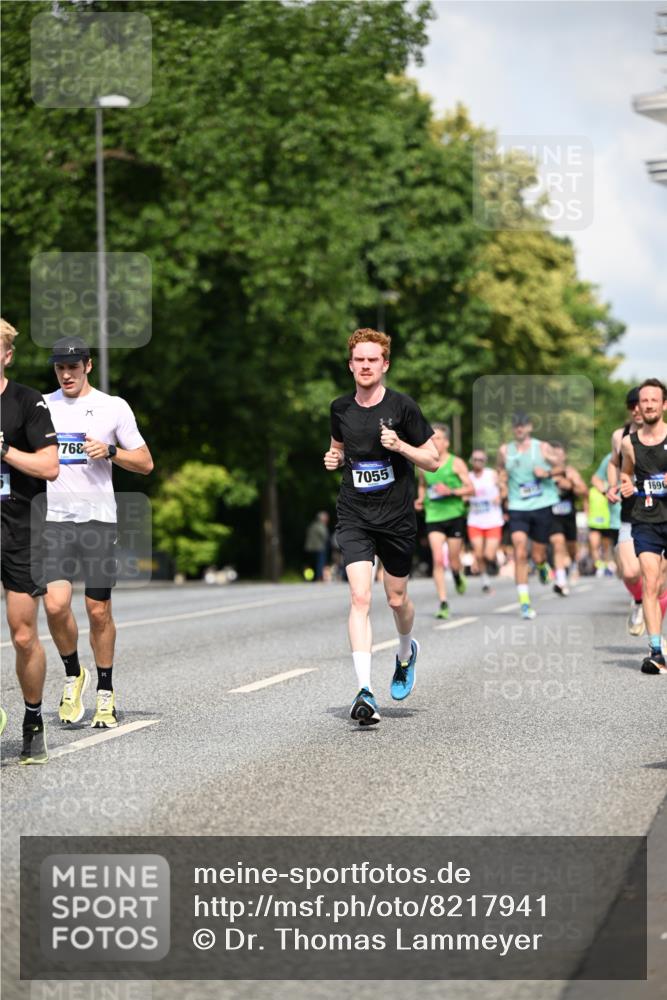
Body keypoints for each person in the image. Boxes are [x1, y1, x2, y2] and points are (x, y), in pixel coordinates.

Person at [324, 328, 438, 726]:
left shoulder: (403, 407)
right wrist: (333, 459)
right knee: (359, 599)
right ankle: (365, 691)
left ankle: (406, 653)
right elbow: (338, 448)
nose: (366, 366)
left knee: (395, 600)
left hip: (397, 517)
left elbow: (434, 459)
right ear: (350, 364)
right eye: (360, 360)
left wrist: (402, 447)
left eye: (373, 360)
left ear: (385, 364)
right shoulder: (340, 408)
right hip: (354, 514)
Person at [41, 337, 153, 729]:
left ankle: (105, 690)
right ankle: (74, 675)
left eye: (73, 367)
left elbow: (146, 462)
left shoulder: (113, 407)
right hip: (53, 519)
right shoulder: (43, 406)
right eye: (60, 368)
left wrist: (111, 452)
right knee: (55, 606)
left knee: (97, 609)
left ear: (87, 366)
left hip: (98, 521)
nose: (66, 374)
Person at [0, 318, 59, 763]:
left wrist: (4, 451)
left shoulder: (27, 401)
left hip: (21, 529)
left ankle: (33, 717)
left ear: (6, 355)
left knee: (23, 637)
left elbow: (50, 467)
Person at [621, 379, 667, 674]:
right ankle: (656, 652)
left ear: (664, 405)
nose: (648, 404)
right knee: (649, 582)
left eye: (654, 400)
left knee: (661, 583)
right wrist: (624, 485)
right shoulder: (629, 442)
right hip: (645, 518)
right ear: (638, 406)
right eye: (644, 400)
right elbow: (626, 473)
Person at [496, 412, 562, 620]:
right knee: (519, 551)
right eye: (516, 425)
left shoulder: (541, 447)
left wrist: (547, 473)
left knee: (537, 554)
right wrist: (502, 484)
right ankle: (524, 603)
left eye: (523, 425)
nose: (519, 428)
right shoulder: (505, 450)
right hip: (517, 506)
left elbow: (561, 467)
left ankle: (542, 564)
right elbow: (500, 470)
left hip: (541, 505)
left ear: (530, 427)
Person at [415, 425, 473, 618]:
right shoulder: (423, 463)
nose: (434, 442)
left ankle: (457, 575)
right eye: (431, 438)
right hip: (434, 516)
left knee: (454, 561)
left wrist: (452, 492)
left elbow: (470, 489)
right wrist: (420, 499)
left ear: (446, 442)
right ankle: (443, 603)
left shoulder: (456, 463)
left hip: (454, 515)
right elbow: (423, 486)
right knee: (438, 560)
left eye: (438, 438)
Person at [607, 388, 646, 635]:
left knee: (658, 581)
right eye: (631, 404)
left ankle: (656, 638)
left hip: (660, 512)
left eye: (640, 403)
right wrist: (613, 486)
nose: (636, 409)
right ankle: (640, 602)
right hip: (630, 513)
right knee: (630, 572)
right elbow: (614, 463)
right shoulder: (619, 436)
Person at [549, 443, 587, 595]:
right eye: (554, 454)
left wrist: (570, 485)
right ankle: (561, 580)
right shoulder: (545, 472)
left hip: (568, 515)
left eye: (559, 454)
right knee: (558, 544)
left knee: (571, 548)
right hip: (551, 515)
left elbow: (584, 491)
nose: (557, 458)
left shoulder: (570, 472)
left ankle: (573, 564)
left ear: (564, 456)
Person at [465, 449, 504, 594]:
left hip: (493, 520)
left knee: (488, 555)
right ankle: (485, 580)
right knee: (479, 553)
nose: (478, 462)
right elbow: (464, 492)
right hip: (475, 520)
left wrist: (500, 495)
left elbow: (503, 488)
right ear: (471, 461)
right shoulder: (468, 477)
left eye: (481, 460)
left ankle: (493, 564)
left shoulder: (491, 474)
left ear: (485, 461)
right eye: (475, 459)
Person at [304, 511, 330, 582]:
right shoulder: (321, 526)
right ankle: (318, 578)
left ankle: (308, 578)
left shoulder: (312, 525)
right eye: (326, 518)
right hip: (319, 548)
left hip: (309, 548)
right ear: (322, 519)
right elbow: (325, 536)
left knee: (310, 565)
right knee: (320, 564)